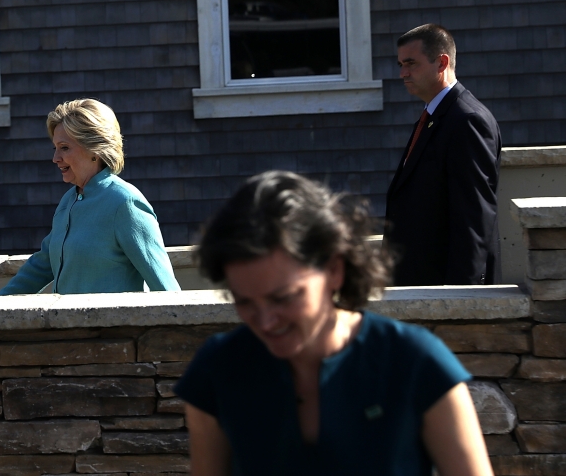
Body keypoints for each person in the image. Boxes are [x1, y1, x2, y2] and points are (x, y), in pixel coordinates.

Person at [176, 171, 492, 476]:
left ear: (334, 270)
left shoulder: (416, 362)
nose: (266, 321)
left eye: (283, 297)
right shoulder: (217, 370)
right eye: (244, 301)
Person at [0, 99, 179, 294]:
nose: (55, 158)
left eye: (64, 147)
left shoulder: (125, 203)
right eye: (55, 148)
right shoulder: (69, 201)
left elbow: (165, 287)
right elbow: (41, 266)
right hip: (67, 325)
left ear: (95, 149)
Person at [386, 24, 501, 285]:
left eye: (411, 63)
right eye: (401, 64)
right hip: (420, 285)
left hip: (447, 291)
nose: (403, 73)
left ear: (442, 63)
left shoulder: (467, 121)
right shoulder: (433, 116)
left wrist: (464, 296)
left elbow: (474, 217)